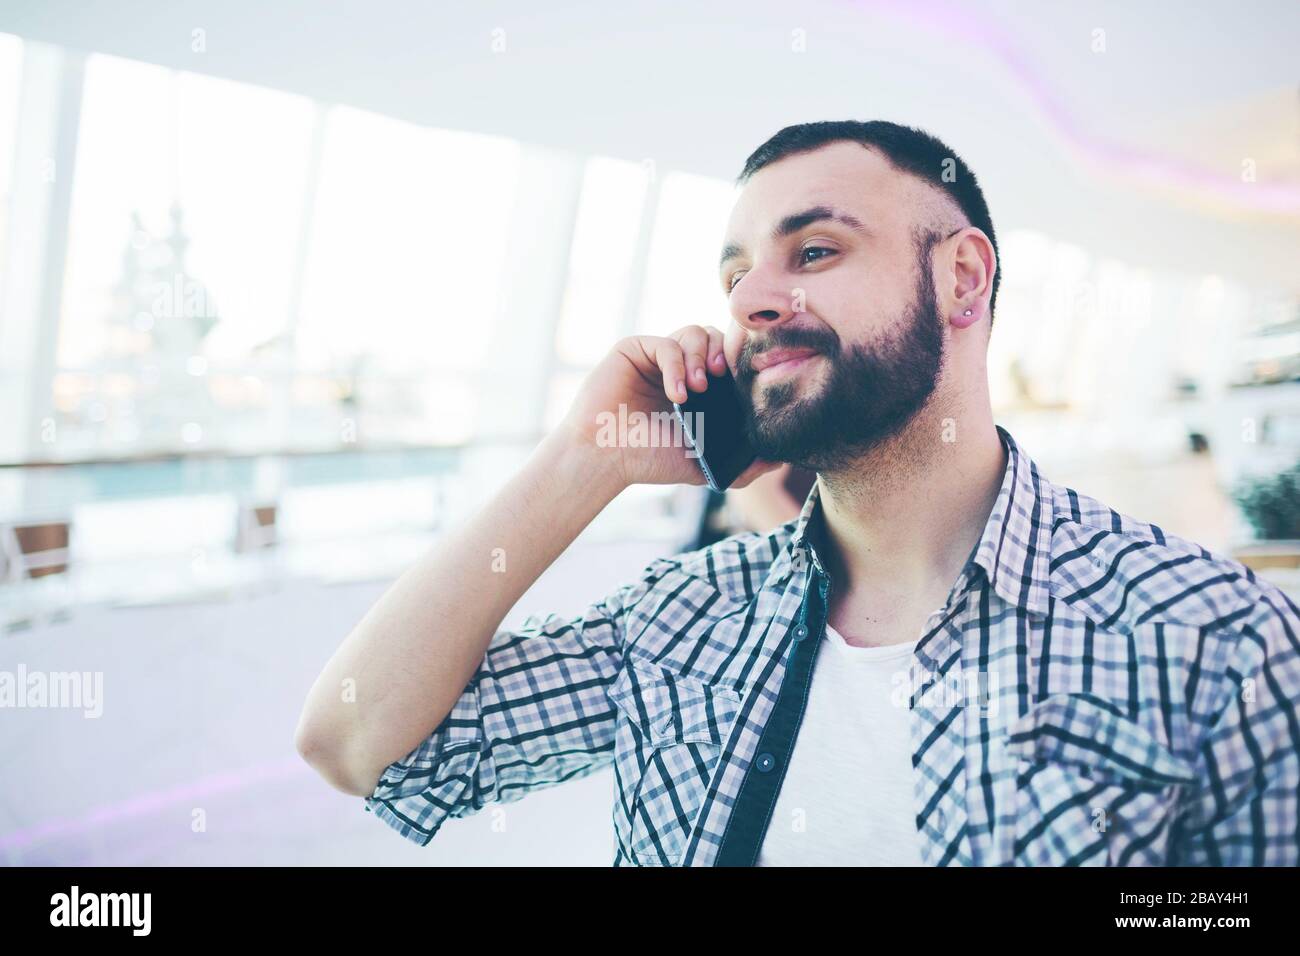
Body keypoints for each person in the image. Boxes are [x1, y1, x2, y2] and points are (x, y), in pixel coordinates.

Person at [295, 120, 1300, 866]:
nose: (749, 302)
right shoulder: (684, 618)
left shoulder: (1216, 636)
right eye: (736, 274)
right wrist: (582, 459)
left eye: (813, 251)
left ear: (961, 278)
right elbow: (358, 742)